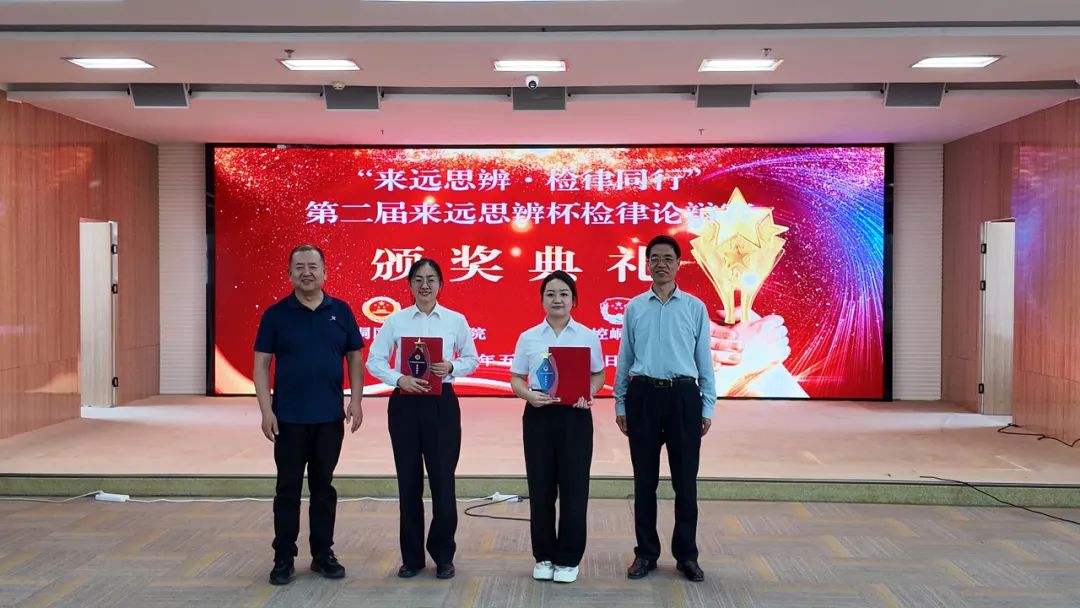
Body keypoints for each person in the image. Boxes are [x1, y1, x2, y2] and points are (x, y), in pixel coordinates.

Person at [253, 244, 365, 586]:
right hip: (288, 419)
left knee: (323, 488)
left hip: (329, 418)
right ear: (289, 274)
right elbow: (261, 364)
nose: (306, 272)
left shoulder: (341, 311)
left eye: (313, 266)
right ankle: (283, 557)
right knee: (287, 489)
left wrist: (356, 400)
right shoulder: (276, 314)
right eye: (299, 267)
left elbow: (355, 358)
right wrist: (266, 410)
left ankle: (322, 554)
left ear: (324, 272)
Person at [367, 258, 479, 580]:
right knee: (409, 482)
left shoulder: (455, 320)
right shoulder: (395, 321)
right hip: (405, 405)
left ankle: (443, 555)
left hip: (441, 404)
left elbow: (472, 358)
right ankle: (412, 558)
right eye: (418, 279)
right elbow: (375, 360)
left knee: (443, 481)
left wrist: (452, 367)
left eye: (431, 279)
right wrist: (398, 378)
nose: (425, 285)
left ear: (441, 285)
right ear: (409, 285)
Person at [613, 235, 713, 583]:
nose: (661, 264)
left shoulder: (695, 308)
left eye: (668, 258)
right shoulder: (635, 307)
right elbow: (625, 357)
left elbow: (704, 359)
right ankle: (646, 553)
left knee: (686, 483)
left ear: (679, 263)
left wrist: (707, 406)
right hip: (642, 396)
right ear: (647, 264)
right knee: (644, 482)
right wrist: (620, 401)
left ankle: (687, 555)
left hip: (684, 397)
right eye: (654, 258)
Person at [510, 271, 605, 584]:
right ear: (542, 300)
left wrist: (589, 391)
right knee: (541, 489)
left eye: (564, 294)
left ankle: (568, 558)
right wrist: (528, 395)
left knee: (575, 489)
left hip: (575, 418)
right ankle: (544, 556)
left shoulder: (587, 336)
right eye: (550, 294)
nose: (557, 299)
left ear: (573, 300)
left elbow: (598, 374)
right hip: (539, 417)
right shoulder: (528, 337)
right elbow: (516, 378)